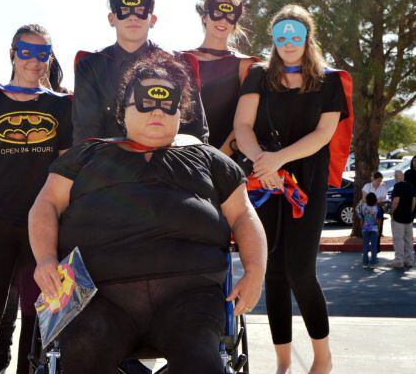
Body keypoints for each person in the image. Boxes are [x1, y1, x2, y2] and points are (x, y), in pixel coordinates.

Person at [29, 51, 267, 373]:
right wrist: (45, 258)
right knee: (83, 353)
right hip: (99, 298)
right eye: (145, 101)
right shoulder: (86, 155)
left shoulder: (209, 159)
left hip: (191, 300)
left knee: (202, 364)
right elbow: (45, 204)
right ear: (122, 110)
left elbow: (243, 215)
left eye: (166, 102)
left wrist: (255, 271)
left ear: (180, 112)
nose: (156, 110)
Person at [233, 4, 352, 374]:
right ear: (273, 38)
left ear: (307, 38)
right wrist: (261, 162)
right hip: (265, 181)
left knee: (301, 269)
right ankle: (283, 362)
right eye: (280, 35)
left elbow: (323, 134)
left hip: (306, 182)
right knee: (274, 272)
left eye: (294, 35)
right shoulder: (257, 75)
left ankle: (322, 357)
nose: (287, 42)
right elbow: (243, 126)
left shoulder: (329, 81)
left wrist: (278, 159)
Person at [0, 25, 73, 374]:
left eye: (42, 54)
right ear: (12, 54)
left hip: (43, 226)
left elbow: (68, 171)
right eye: (26, 52)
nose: (34, 61)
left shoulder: (61, 106)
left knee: (36, 312)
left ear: (49, 58)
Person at [72, 0, 208, 144]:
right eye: (125, 10)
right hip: (108, 164)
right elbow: (85, 130)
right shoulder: (90, 66)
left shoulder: (179, 64)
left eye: (140, 10)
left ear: (153, 20)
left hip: (167, 162)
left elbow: (196, 129)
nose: (133, 17)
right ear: (111, 19)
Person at [183, 0, 257, 152]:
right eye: (217, 13)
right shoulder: (181, 59)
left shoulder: (246, 65)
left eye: (230, 16)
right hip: (181, 157)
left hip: (227, 160)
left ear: (235, 23)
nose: (223, 21)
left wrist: (219, 160)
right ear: (204, 17)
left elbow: (248, 121)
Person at [388, 170, 416, 268]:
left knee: (398, 239)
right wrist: (410, 211)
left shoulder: (397, 186)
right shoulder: (410, 186)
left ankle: (399, 260)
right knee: (408, 239)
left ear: (396, 177)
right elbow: (414, 200)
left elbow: (396, 200)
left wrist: (391, 211)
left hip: (398, 217)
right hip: (408, 217)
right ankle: (409, 260)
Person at [362, 172, 390, 254]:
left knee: (378, 231)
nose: (379, 183)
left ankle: (376, 250)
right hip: (368, 211)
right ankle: (366, 252)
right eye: (378, 180)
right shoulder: (367, 186)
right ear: (373, 179)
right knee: (368, 231)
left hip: (379, 210)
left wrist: (380, 201)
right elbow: (364, 200)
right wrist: (377, 200)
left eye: (381, 181)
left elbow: (385, 199)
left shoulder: (383, 188)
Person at [358, 193, 380, 268]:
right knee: (374, 246)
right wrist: (378, 229)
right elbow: (379, 220)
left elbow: (361, 219)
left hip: (365, 228)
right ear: (375, 200)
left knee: (365, 246)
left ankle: (365, 263)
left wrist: (362, 228)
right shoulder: (377, 208)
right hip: (374, 228)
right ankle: (373, 262)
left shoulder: (363, 207)